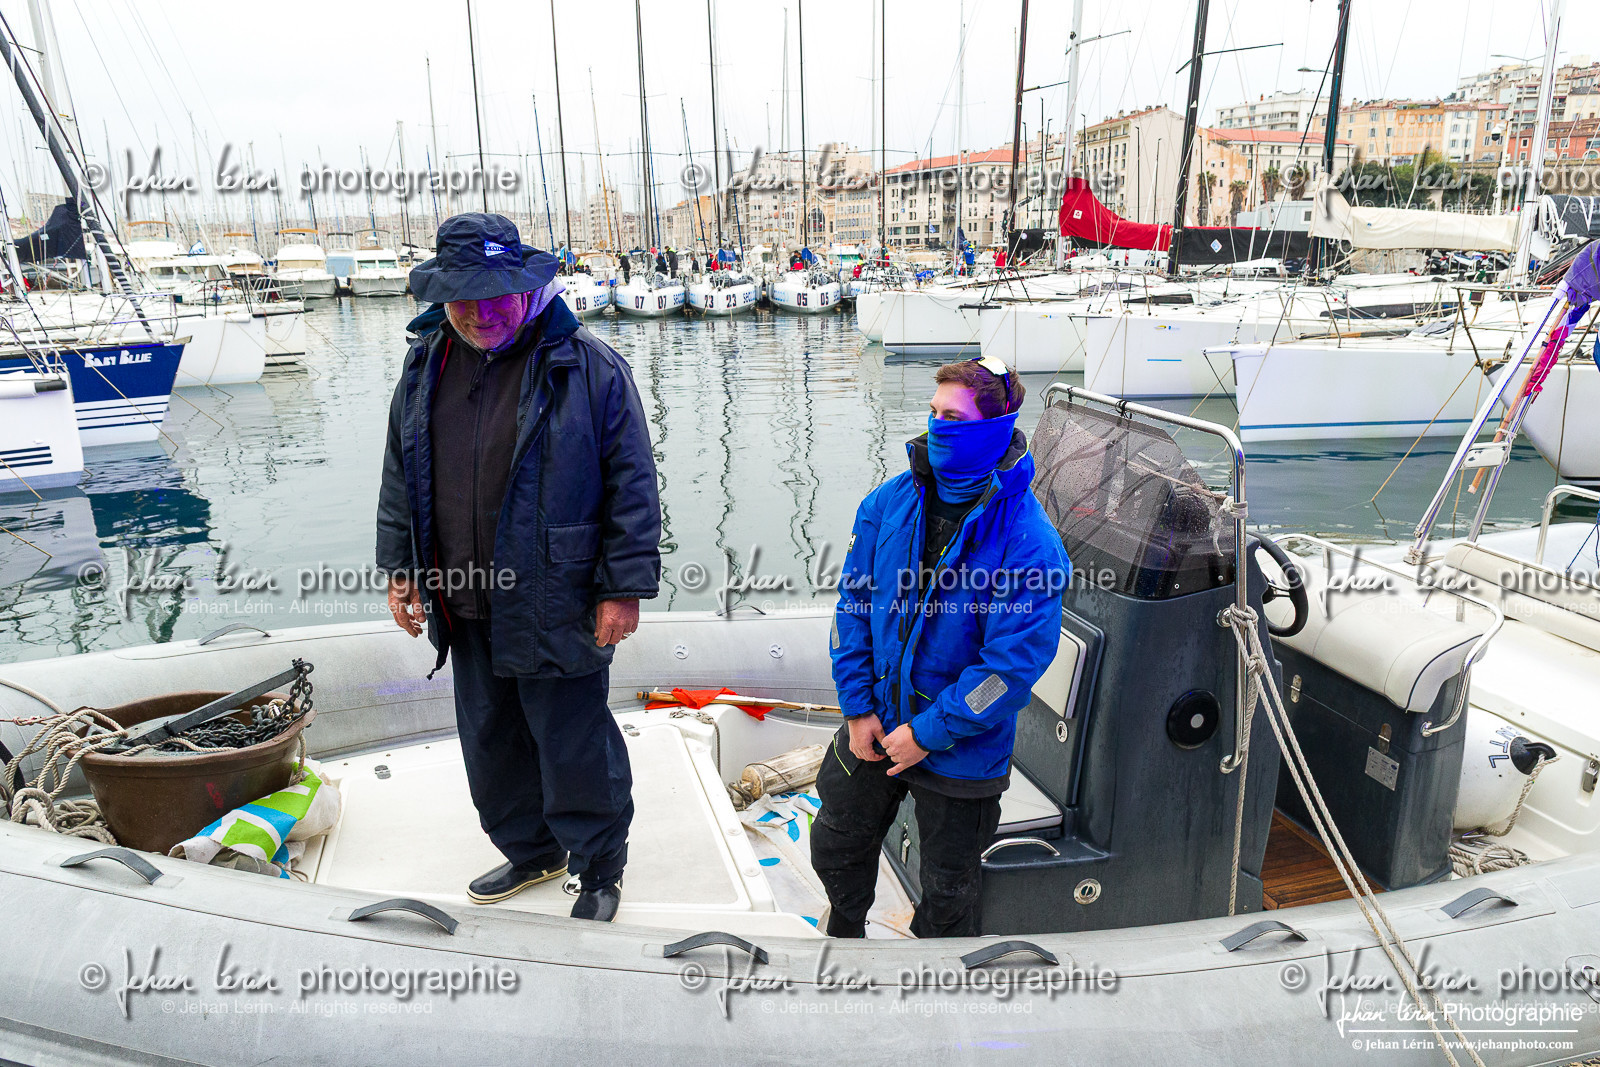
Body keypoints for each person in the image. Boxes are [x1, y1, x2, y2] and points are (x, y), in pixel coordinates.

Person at [377, 213, 662, 923]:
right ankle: (532, 847)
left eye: (496, 294)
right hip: (463, 596)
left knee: (571, 742)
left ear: (528, 287)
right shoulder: (424, 365)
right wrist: (400, 568)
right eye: (463, 297)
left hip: (556, 597)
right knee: (490, 739)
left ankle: (599, 866)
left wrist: (621, 587)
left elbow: (634, 484)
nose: (481, 313)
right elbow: (398, 474)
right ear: (441, 297)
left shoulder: (590, 367)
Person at [810, 356, 1070, 939]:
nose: (936, 427)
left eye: (952, 417)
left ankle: (934, 975)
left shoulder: (1032, 544)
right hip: (874, 719)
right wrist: (857, 709)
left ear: (993, 428)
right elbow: (852, 606)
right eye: (933, 414)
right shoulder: (886, 504)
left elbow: (1011, 668)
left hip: (960, 744)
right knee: (835, 842)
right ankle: (846, 931)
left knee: (951, 887)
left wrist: (928, 733)